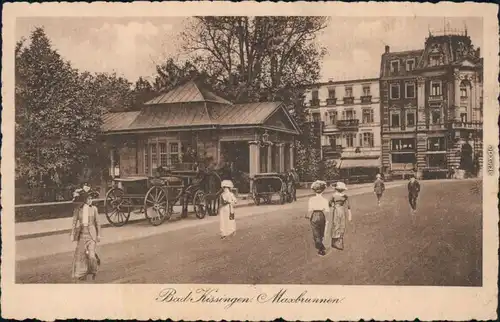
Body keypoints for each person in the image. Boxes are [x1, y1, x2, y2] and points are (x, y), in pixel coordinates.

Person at [70, 187, 101, 282]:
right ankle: (82, 274)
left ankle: (94, 270)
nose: (90, 200)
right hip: (82, 235)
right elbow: (74, 222)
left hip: (91, 235)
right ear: (84, 200)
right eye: (89, 199)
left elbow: (98, 223)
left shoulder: (94, 209)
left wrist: (99, 235)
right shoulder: (78, 210)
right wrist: (72, 233)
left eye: (91, 198)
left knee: (91, 256)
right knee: (81, 255)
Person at [305, 180, 329, 256]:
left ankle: (320, 247)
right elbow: (327, 211)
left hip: (314, 215)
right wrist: (327, 220)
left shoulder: (311, 199)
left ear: (314, 191)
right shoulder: (325, 200)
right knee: (321, 231)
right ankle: (321, 246)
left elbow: (310, 210)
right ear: (322, 191)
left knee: (315, 232)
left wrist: (308, 216)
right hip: (321, 215)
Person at [329, 181, 352, 250]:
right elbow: (348, 206)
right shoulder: (345, 196)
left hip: (336, 210)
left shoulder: (334, 195)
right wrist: (350, 214)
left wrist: (333, 205)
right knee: (341, 224)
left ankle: (336, 241)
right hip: (341, 210)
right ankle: (339, 241)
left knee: (337, 224)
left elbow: (330, 203)